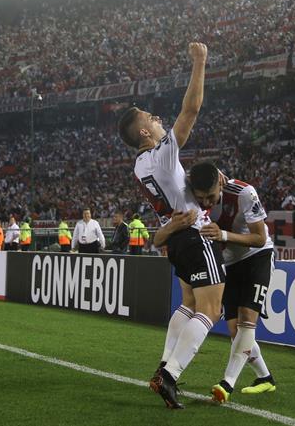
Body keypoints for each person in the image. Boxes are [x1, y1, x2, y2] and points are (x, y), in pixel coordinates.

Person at [118, 41, 217, 410]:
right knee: (212, 308)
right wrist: (199, 62)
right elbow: (190, 109)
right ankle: (171, 374)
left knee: (190, 302)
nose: (155, 117)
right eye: (148, 117)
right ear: (144, 134)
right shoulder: (161, 155)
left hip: (175, 240)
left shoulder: (140, 166)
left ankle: (163, 365)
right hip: (193, 235)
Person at [187, 162, 277, 404]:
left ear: (220, 184)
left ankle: (227, 383)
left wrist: (223, 235)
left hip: (257, 256)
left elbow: (260, 238)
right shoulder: (192, 194)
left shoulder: (244, 193)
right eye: (201, 198)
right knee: (235, 329)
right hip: (230, 263)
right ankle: (265, 378)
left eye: (211, 197)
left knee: (248, 318)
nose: (206, 203)